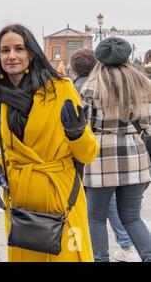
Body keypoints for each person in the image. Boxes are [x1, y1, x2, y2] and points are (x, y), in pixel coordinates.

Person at [0, 24, 99, 262]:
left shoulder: (60, 88)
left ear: (31, 53)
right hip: (20, 201)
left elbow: (88, 154)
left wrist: (77, 132)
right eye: (5, 50)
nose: (12, 56)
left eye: (19, 48)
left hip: (58, 196)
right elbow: (11, 148)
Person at [81, 37, 151, 262]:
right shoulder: (144, 86)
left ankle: (100, 259)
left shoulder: (91, 88)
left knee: (95, 218)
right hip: (135, 154)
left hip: (101, 158)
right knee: (132, 218)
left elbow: (84, 127)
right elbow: (147, 125)